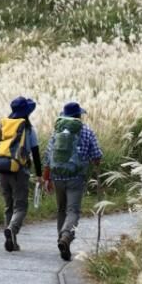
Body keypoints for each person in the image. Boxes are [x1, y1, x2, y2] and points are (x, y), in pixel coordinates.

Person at [43, 102, 102, 261]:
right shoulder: (87, 131)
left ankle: (61, 240)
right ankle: (66, 237)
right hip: (76, 177)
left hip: (58, 177)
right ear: (78, 115)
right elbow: (97, 155)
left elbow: (48, 156)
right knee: (73, 211)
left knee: (61, 209)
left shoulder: (56, 131)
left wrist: (46, 179)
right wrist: (94, 164)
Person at [0, 96, 42, 252]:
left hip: (1, 169)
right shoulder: (28, 129)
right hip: (19, 171)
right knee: (20, 206)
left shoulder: (4, 125)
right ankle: (12, 229)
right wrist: (39, 174)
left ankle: (12, 241)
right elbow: (35, 153)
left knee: (9, 206)